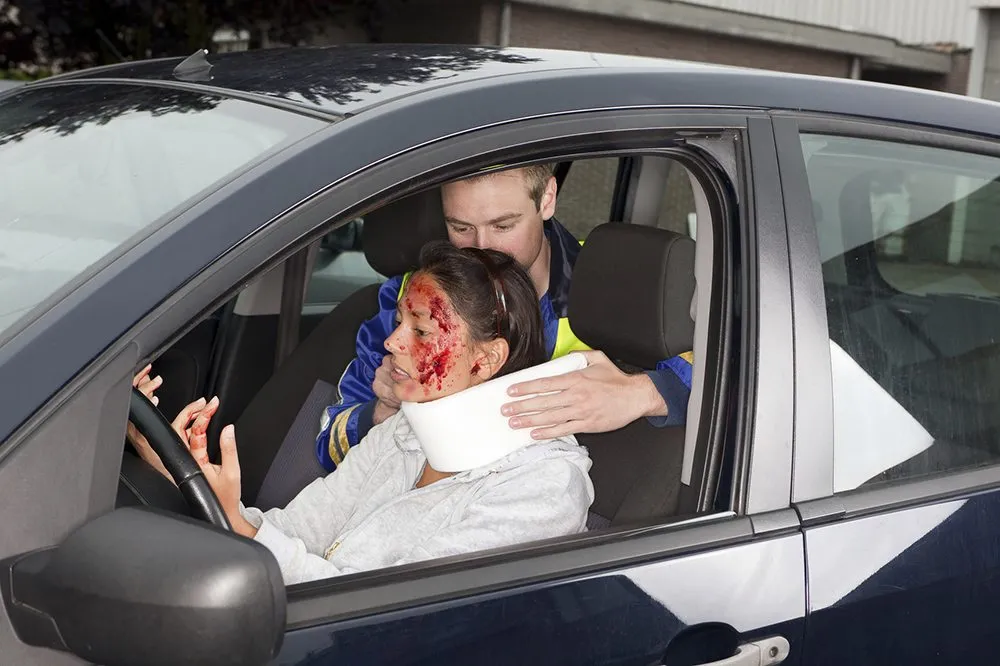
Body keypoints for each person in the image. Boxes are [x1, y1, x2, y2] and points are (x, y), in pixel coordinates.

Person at [128, 242, 594, 585]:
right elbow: (294, 533)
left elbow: (384, 613)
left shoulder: (542, 488)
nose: (391, 343)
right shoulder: (405, 431)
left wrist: (241, 523)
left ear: (487, 360)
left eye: (422, 331)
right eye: (397, 324)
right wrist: (176, 468)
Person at [317, 163, 693, 471]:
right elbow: (329, 444)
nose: (481, 249)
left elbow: (738, 370)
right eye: (460, 227)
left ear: (547, 199)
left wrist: (646, 392)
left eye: (503, 225)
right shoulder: (407, 303)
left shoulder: (612, 291)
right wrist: (381, 412)